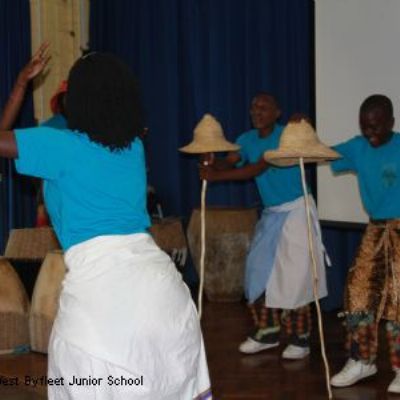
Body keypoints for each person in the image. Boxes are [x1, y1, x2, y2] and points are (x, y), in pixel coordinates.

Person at [0, 52, 211, 400]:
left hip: (102, 299)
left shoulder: (58, 145)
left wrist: (21, 85)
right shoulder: (133, 148)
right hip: (163, 292)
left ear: (77, 98)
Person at [199, 92, 327, 360]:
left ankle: (300, 340)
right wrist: (212, 162)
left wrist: (216, 178)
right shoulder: (245, 140)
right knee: (259, 271)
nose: (257, 112)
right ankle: (268, 332)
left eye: (264, 107)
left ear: (277, 112)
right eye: (253, 107)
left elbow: (256, 169)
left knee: (295, 278)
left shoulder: (287, 136)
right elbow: (232, 161)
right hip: (272, 214)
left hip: (297, 210)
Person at [329, 94, 400, 394]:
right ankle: (362, 359)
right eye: (364, 127)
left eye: (376, 127)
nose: (370, 133)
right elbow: (320, 153)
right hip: (375, 228)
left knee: (399, 298)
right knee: (358, 291)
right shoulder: (357, 148)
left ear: (392, 123)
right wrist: (300, 132)